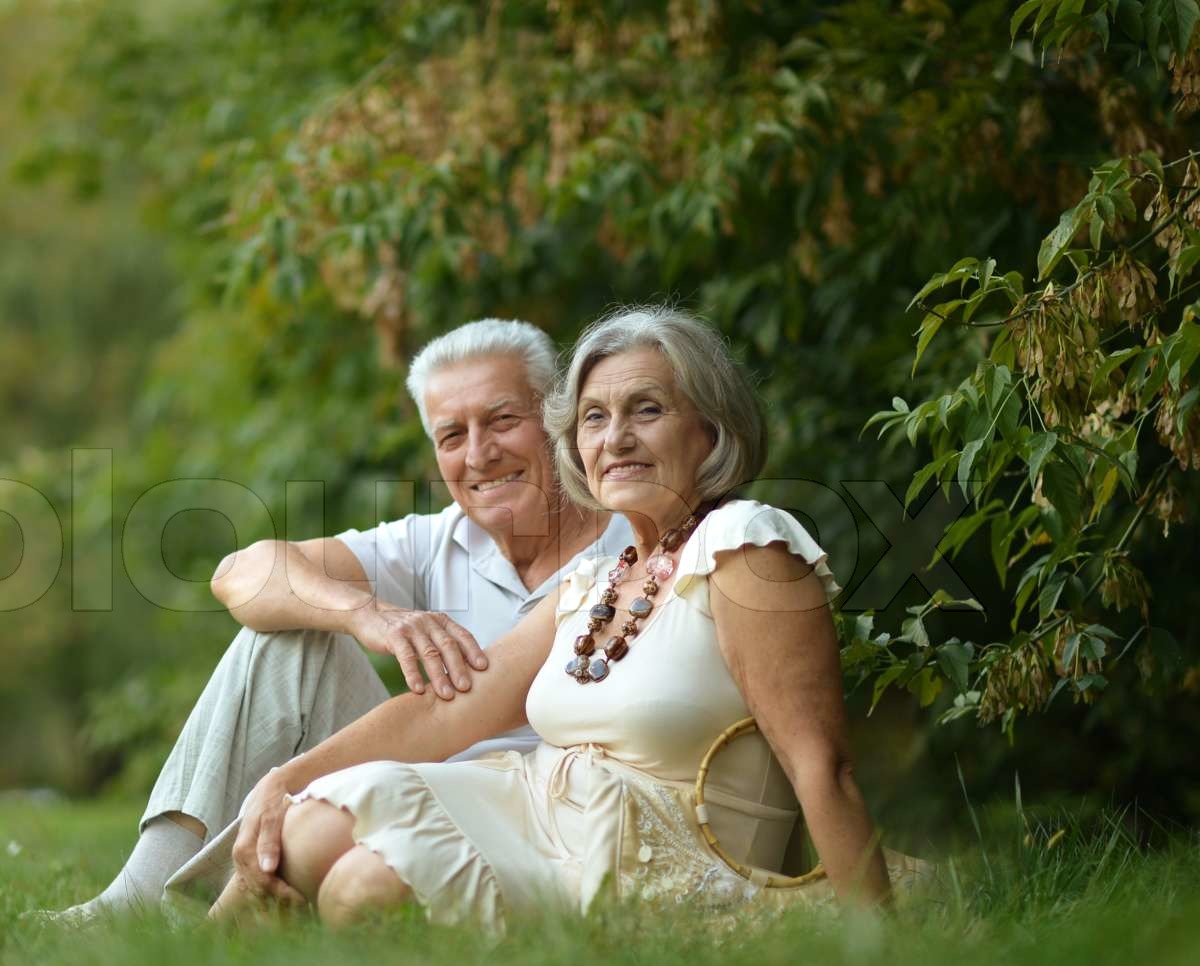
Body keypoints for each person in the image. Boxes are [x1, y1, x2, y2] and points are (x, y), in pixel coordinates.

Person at [212, 304, 890, 930]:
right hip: (538, 805)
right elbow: (447, 709)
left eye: (645, 409)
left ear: (711, 428)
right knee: (305, 828)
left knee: (361, 889)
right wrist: (283, 781)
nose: (616, 437)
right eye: (594, 417)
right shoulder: (597, 579)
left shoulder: (744, 542)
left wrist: (873, 939)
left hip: (650, 852)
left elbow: (820, 764)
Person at [47, 319, 634, 920]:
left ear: (557, 416)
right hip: (421, 773)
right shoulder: (440, 541)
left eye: (503, 420)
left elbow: (455, 713)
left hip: (544, 807)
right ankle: (135, 901)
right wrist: (366, 614)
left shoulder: (631, 544)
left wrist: (287, 778)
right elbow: (241, 573)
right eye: (452, 434)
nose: (480, 453)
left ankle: (225, 903)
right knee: (290, 637)